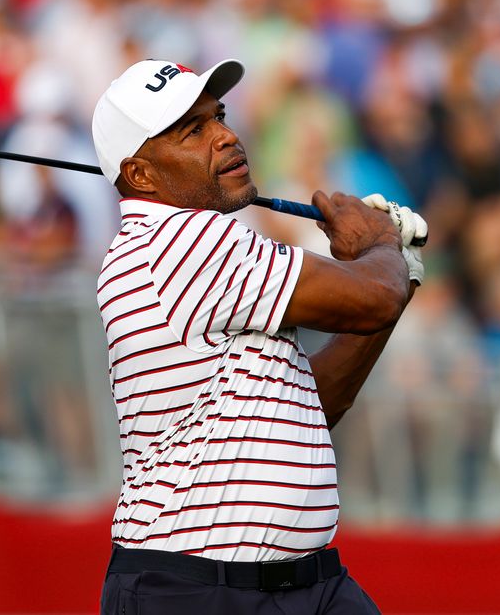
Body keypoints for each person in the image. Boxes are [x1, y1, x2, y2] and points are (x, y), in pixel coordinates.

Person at [92, 59, 425, 614]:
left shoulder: (200, 244)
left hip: (301, 585)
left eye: (218, 116)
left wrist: (398, 268)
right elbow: (371, 297)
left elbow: (315, 403)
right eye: (192, 131)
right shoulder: (183, 240)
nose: (226, 135)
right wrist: (380, 246)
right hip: (195, 588)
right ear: (143, 176)